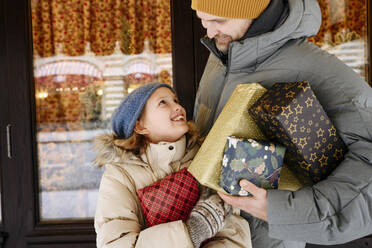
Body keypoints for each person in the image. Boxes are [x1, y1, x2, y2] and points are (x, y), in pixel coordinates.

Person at [190, 0, 372, 247]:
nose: (209, 33)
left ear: (253, 11)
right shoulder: (221, 55)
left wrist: (281, 211)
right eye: (202, 19)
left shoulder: (321, 71)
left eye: (218, 21)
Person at [94, 82, 252, 248]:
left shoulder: (207, 156)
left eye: (176, 100)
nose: (178, 107)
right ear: (139, 125)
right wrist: (192, 232)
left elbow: (233, 233)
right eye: (163, 102)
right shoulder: (120, 175)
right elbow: (114, 244)